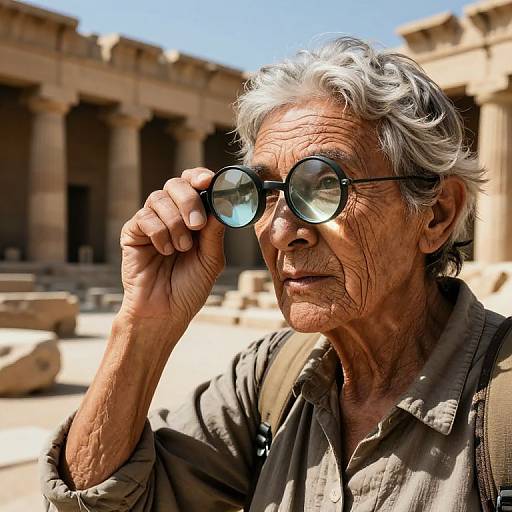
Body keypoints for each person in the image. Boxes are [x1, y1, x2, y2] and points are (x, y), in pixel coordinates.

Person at [40, 37, 500, 511]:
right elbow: (97, 504)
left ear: (436, 214)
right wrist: (144, 322)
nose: (281, 231)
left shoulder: (498, 408)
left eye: (324, 186)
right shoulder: (270, 380)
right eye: (262, 192)